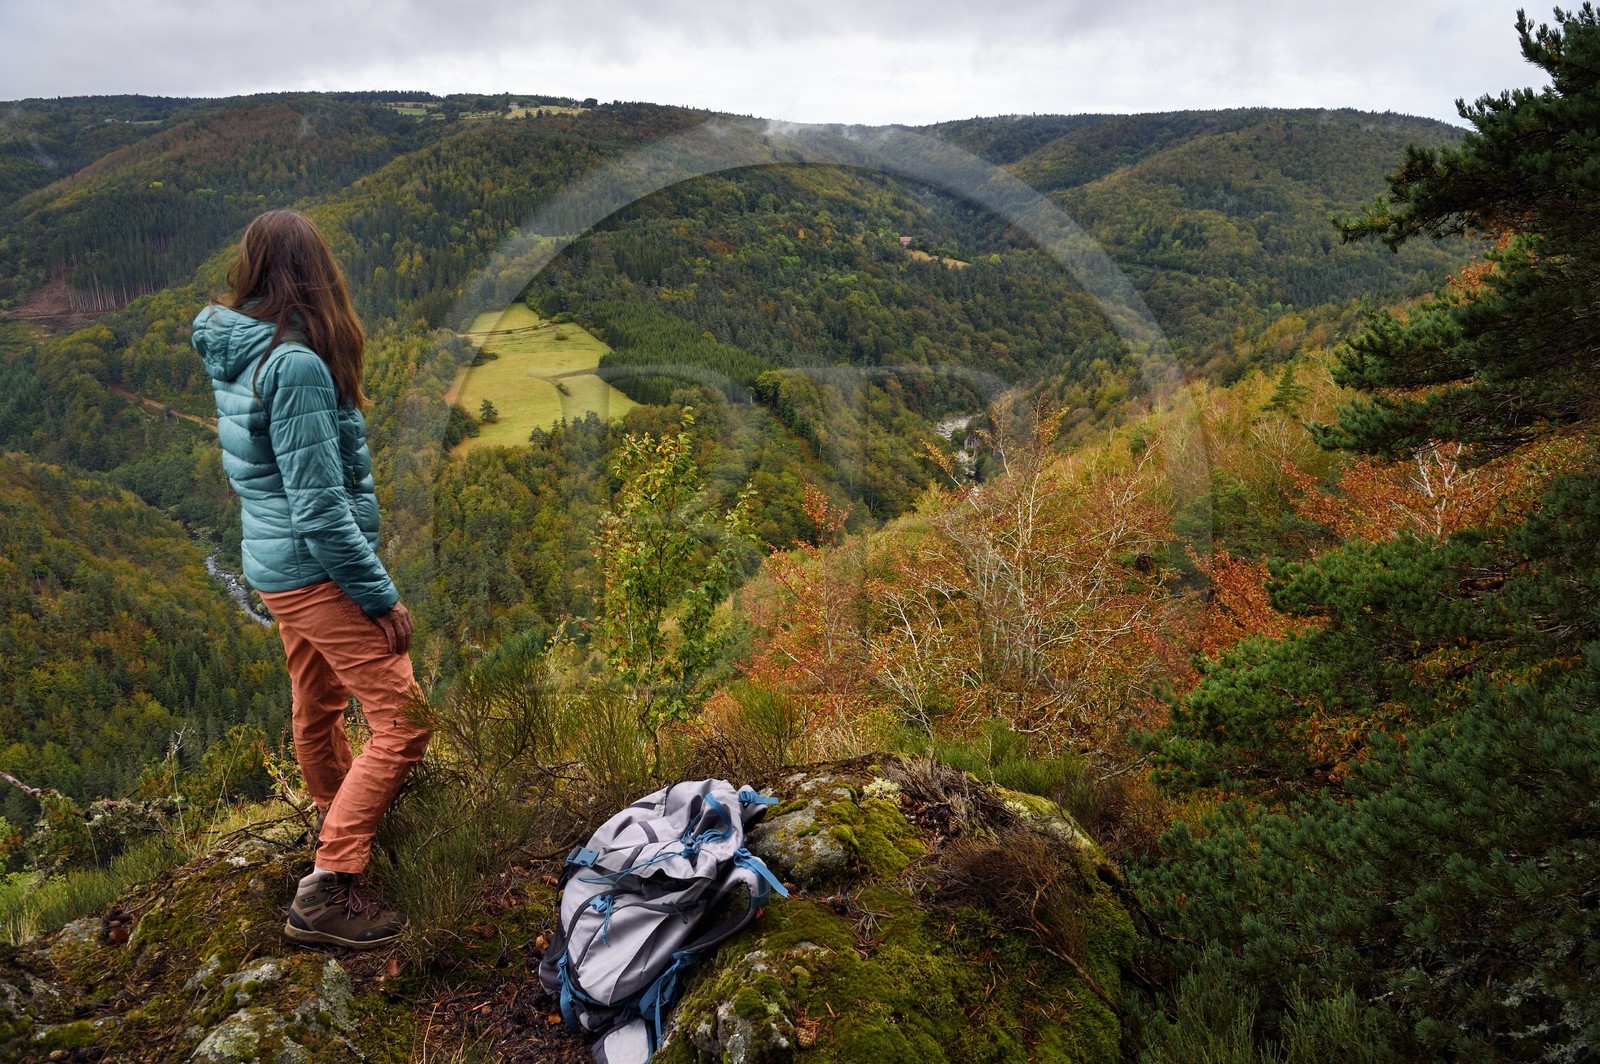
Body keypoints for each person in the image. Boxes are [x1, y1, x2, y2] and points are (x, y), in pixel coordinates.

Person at [192, 209, 430, 950]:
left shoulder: (241, 351)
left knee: (318, 707)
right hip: (315, 569)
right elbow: (322, 509)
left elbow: (263, 480)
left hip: (274, 568)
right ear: (316, 273)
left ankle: (342, 829)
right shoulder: (294, 365)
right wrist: (378, 595)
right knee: (406, 720)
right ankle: (329, 886)